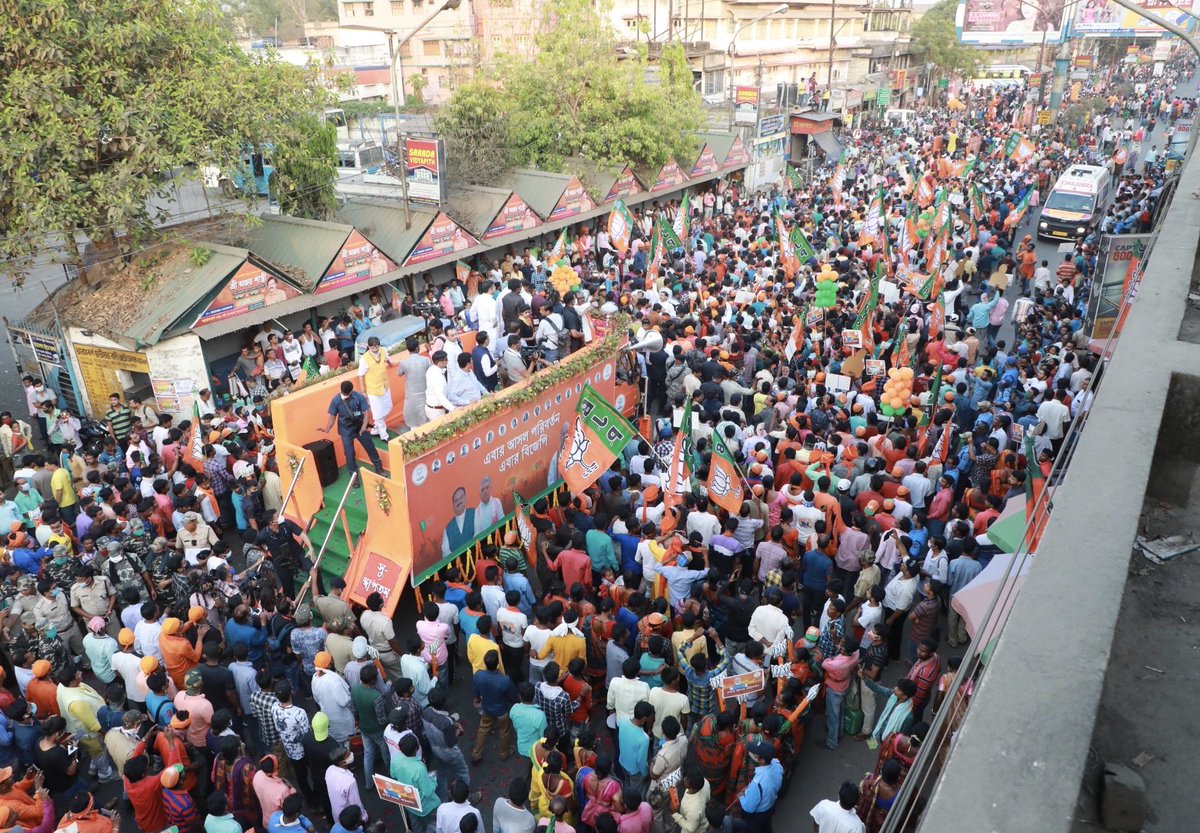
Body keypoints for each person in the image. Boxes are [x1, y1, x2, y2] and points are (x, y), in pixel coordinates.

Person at [319, 380, 385, 480]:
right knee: (349, 454)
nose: (345, 395)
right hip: (346, 430)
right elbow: (332, 417)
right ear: (340, 390)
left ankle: (379, 468)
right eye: (343, 393)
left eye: (347, 393)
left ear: (351, 391)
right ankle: (354, 477)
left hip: (360, 427)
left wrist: (363, 427)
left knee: (370, 447)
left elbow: (366, 413)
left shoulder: (358, 397)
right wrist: (327, 428)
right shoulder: (336, 400)